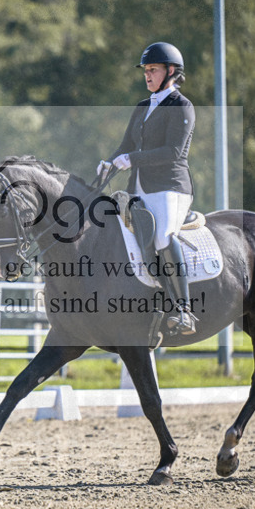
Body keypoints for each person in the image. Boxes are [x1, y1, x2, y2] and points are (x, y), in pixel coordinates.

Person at [98, 41, 197, 335]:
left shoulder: (182, 106)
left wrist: (133, 159)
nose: (147, 75)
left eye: (153, 69)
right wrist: (109, 164)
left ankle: (184, 310)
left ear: (171, 71)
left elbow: (174, 152)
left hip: (170, 188)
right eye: (145, 70)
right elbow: (126, 146)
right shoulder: (143, 107)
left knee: (163, 237)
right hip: (139, 189)